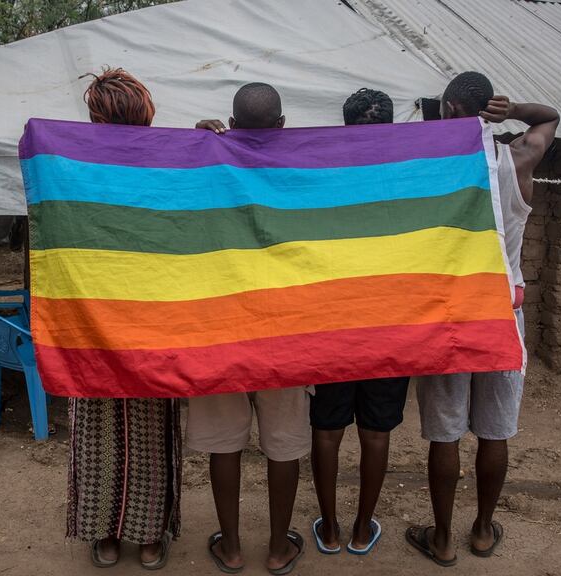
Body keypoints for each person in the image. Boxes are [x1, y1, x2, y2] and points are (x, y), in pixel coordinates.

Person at [406, 71, 559, 567]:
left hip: (449, 316)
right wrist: (513, 111)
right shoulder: (517, 162)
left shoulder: (432, 171)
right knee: (494, 433)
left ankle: (443, 538)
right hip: (501, 314)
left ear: (449, 111)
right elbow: (549, 117)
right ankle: (482, 530)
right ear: (491, 111)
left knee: (445, 433)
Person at [189, 82, 307, 575]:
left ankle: (232, 547)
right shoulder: (301, 169)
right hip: (287, 330)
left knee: (224, 442)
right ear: (282, 126)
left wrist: (196, 141)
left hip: (222, 330)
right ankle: (279, 548)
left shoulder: (209, 165)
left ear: (231, 125)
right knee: (283, 442)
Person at [65, 68, 180, 571]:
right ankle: (147, 536)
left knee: (98, 430)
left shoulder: (75, 163)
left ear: (93, 115)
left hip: (101, 316)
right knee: (149, 431)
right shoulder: (75, 164)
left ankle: (108, 535)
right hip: (143, 316)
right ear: (147, 115)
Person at [308, 88, 410, 557]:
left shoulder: (324, 174)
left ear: (345, 125)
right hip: (391, 326)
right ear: (389, 127)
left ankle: (328, 528)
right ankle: (361, 527)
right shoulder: (408, 178)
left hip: (332, 325)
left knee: (327, 432)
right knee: (376, 432)